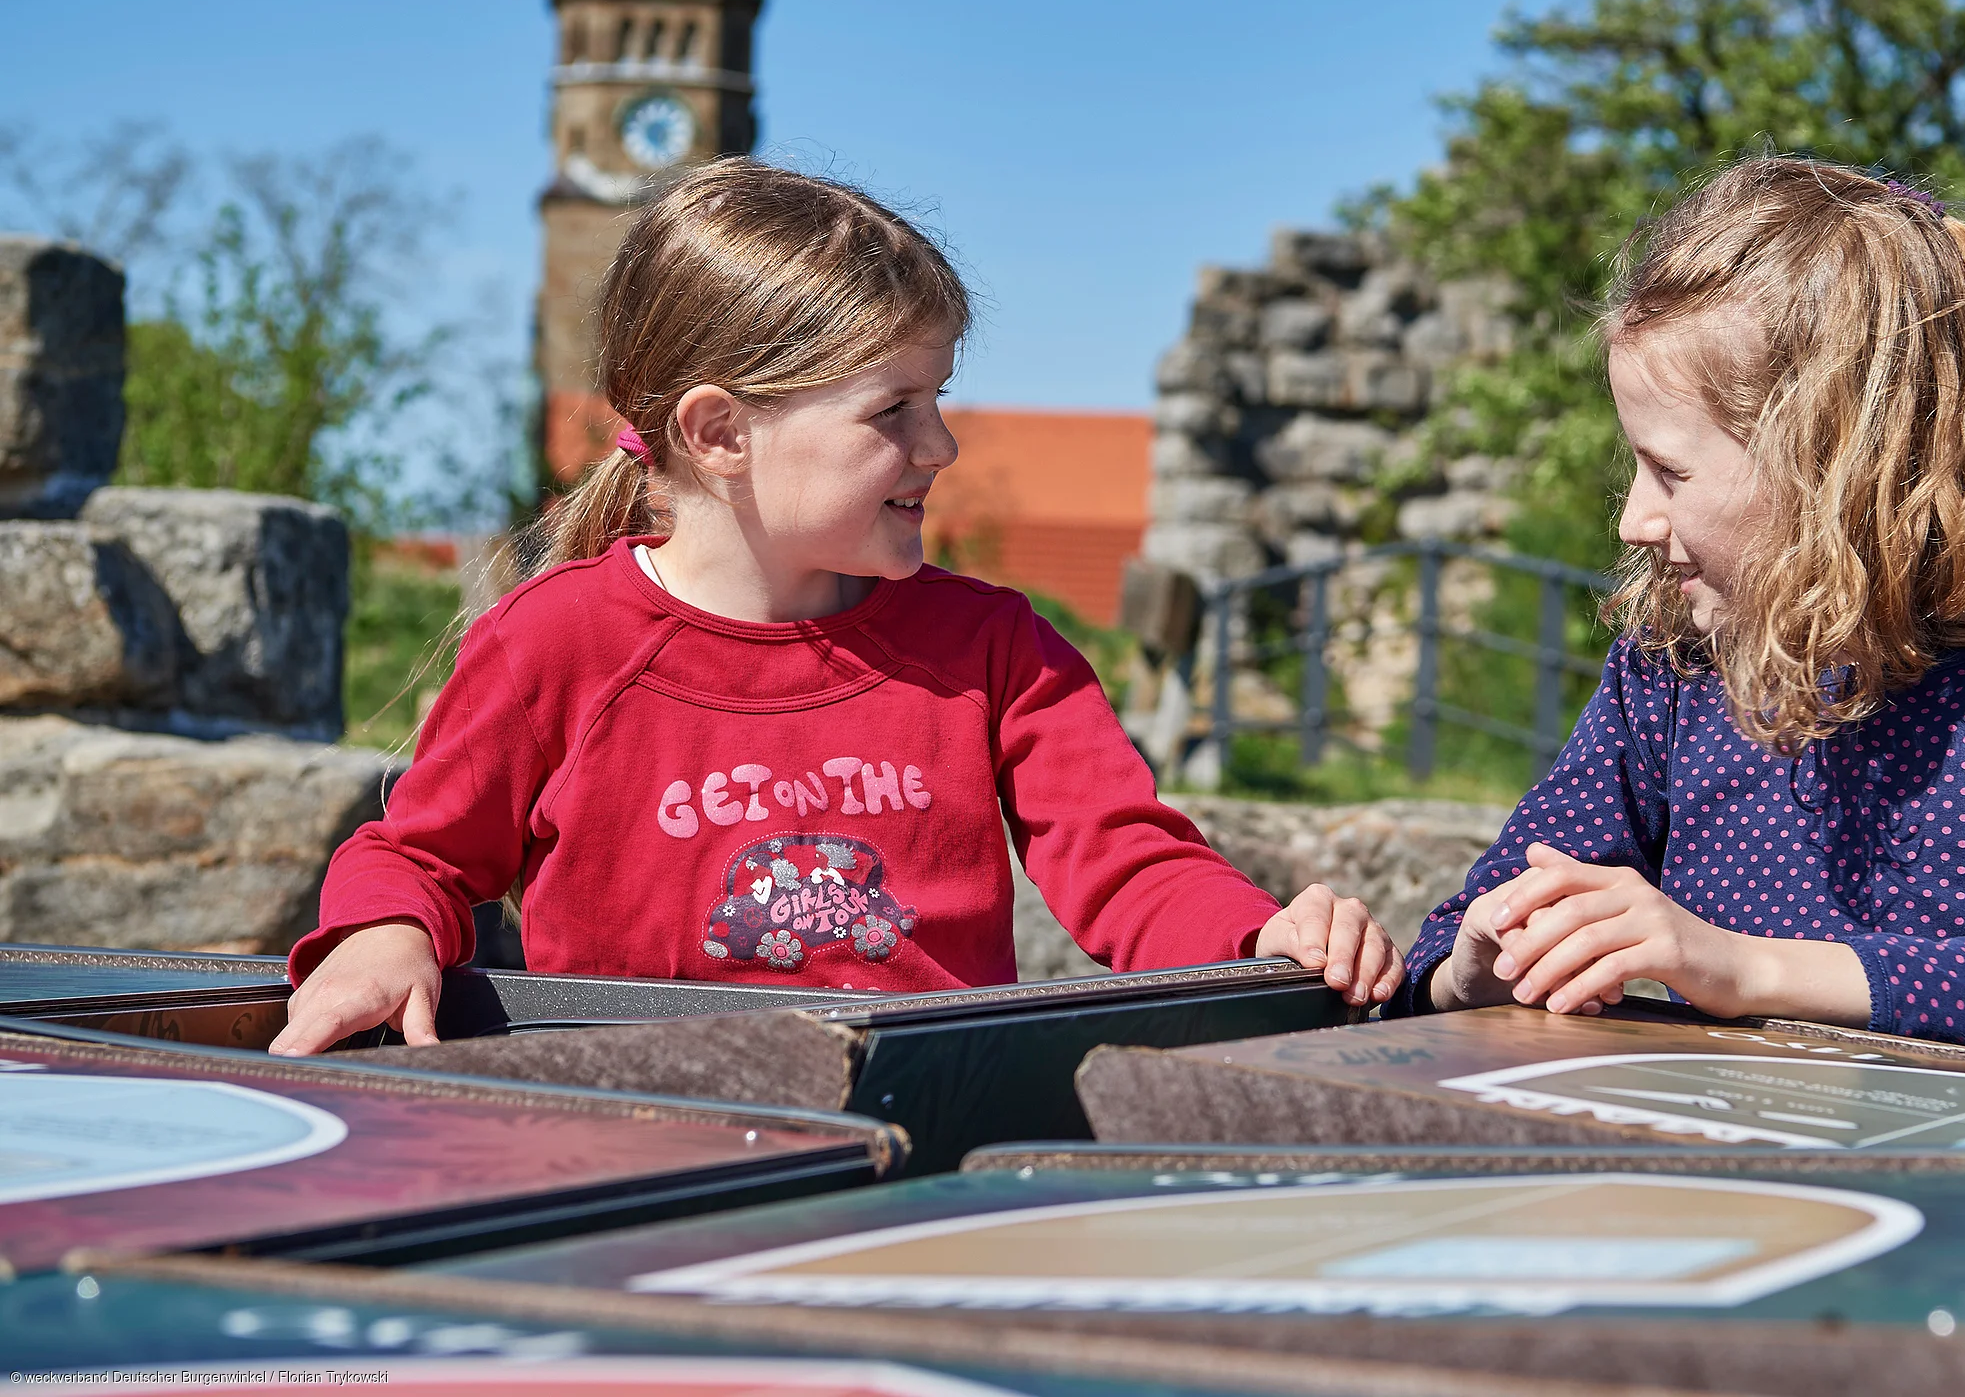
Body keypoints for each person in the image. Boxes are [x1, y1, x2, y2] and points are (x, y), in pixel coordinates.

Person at [271, 160, 1398, 1056]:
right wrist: (380, 935)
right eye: (893, 409)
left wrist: (1257, 933)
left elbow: (1127, 861)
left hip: (920, 1133)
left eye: (938, 396)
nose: (940, 445)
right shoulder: (555, 640)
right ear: (720, 434)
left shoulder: (997, 651)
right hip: (635, 1129)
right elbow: (417, 855)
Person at [1391, 156, 1965, 1057]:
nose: (1632, 519)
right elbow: (1454, 936)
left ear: (1837, 468)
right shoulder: (1672, 673)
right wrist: (1474, 967)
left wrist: (1742, 970)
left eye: (1671, 471)